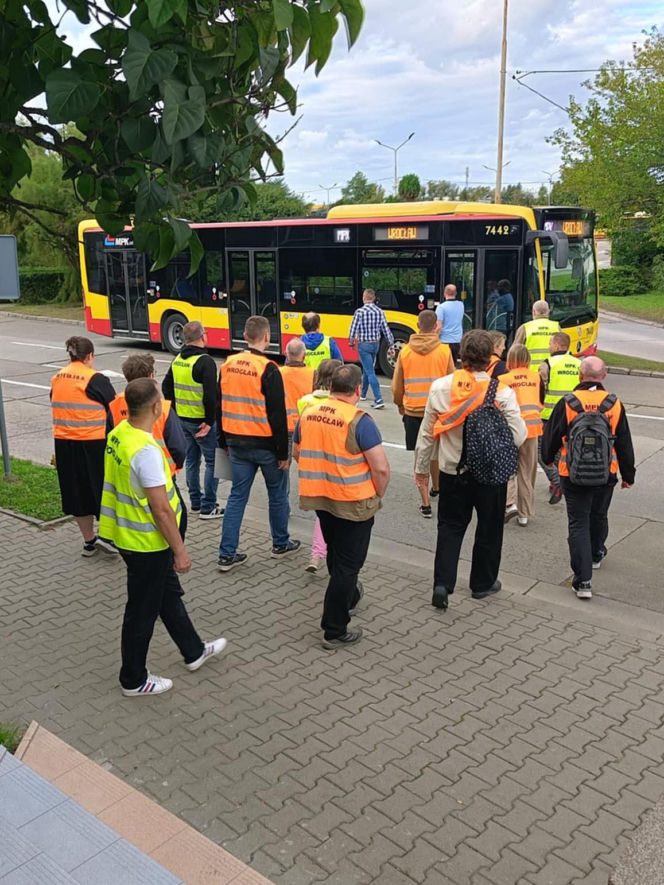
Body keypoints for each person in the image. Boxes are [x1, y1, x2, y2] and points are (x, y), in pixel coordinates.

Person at [99, 378, 226, 697]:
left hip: (129, 535)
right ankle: (133, 679)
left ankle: (193, 651)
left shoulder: (119, 434)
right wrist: (179, 551)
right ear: (156, 407)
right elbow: (161, 510)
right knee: (141, 611)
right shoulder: (146, 451)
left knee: (166, 596)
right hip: (148, 544)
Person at [414, 330, 527, 610]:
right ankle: (482, 583)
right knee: (489, 530)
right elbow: (520, 434)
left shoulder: (440, 387)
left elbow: (427, 434)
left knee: (450, 528)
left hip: (453, 472)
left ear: (461, 356)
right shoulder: (501, 392)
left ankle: (443, 584)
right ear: (491, 356)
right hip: (490, 474)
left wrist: (421, 469)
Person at [294, 364, 391, 649]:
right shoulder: (360, 420)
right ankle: (334, 629)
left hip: (321, 498)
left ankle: (349, 597)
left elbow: (298, 450)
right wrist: (377, 493)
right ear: (358, 389)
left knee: (337, 552)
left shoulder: (309, 413)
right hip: (353, 502)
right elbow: (381, 468)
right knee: (349, 565)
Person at [541, 357, 635, 600]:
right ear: (603, 376)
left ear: (580, 377)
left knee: (578, 522)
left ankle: (582, 581)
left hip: (571, 474)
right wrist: (628, 475)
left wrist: (548, 459)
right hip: (605, 474)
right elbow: (624, 441)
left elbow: (550, 436)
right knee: (599, 514)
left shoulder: (569, 402)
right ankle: (595, 554)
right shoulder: (614, 404)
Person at [217, 316, 300, 570]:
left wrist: (223, 442)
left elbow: (219, 407)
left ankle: (226, 554)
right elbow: (277, 414)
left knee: (237, 496)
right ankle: (280, 544)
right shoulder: (268, 368)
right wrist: (283, 452)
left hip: (236, 443)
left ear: (244, 337)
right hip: (265, 445)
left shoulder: (227, 365)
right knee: (276, 494)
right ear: (267, 337)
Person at [50, 336, 118, 557]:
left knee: (76, 492)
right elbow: (114, 408)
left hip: (64, 444)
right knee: (102, 491)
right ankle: (108, 537)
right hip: (93, 444)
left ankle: (89, 541)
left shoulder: (57, 377)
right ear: (90, 356)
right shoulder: (95, 379)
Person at [111, 353, 188, 531]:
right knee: (175, 516)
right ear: (151, 376)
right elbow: (179, 447)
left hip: (127, 473)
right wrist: (176, 466)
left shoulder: (115, 404)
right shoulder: (162, 407)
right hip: (161, 474)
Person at [391, 309, 454, 517]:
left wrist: (399, 403)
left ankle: (425, 502)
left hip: (414, 409)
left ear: (418, 325)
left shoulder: (406, 352)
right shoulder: (444, 351)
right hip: (438, 410)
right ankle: (437, 487)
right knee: (435, 451)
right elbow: (452, 381)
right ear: (436, 326)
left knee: (420, 454)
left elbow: (397, 384)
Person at [162, 321, 222, 519]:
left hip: (183, 420)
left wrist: (175, 412)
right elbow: (211, 396)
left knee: (192, 461)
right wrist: (209, 421)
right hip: (201, 423)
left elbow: (166, 387)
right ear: (202, 336)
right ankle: (208, 506)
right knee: (213, 462)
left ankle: (195, 502)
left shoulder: (178, 358)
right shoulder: (205, 361)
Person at [297, 358, 342, 573]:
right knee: (335, 515)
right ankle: (325, 552)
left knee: (321, 513)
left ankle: (316, 553)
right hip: (335, 466)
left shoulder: (304, 401)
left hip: (311, 466)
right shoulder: (340, 405)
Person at [501, 344, 544, 526]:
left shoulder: (503, 379)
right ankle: (524, 513)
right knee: (527, 472)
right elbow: (541, 401)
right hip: (532, 428)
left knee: (508, 469)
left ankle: (508, 504)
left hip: (510, 428)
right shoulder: (536, 377)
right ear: (527, 359)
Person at [539, 332, 581, 505]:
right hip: (574, 416)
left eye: (550, 343)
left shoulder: (548, 363)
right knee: (564, 450)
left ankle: (557, 481)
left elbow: (540, 389)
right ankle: (564, 479)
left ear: (557, 346)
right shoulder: (580, 364)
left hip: (549, 416)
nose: (548, 347)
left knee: (542, 452)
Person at [348, 288, 394, 409]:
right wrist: (391, 344)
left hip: (364, 345)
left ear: (364, 298)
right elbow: (386, 329)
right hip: (375, 344)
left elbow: (353, 329)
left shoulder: (359, 312)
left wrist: (351, 342)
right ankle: (363, 394)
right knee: (368, 368)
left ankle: (379, 399)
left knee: (370, 371)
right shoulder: (380, 311)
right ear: (373, 298)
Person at [280, 338, 315, 458]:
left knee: (284, 466)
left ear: (286, 354)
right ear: (304, 355)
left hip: (285, 425)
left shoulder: (278, 373)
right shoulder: (313, 374)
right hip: (307, 426)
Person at [513, 301, 560, 370]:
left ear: (534, 311)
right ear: (548, 312)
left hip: (530, 371)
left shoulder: (525, 327)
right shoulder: (556, 327)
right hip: (551, 370)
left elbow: (515, 351)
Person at [435, 284, 465, 364]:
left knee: (444, 365)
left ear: (444, 293)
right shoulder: (461, 305)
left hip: (445, 341)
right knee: (453, 364)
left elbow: (438, 327)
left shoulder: (441, 307)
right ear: (455, 293)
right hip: (457, 340)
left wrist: (434, 339)